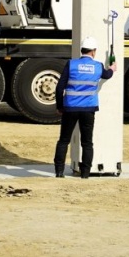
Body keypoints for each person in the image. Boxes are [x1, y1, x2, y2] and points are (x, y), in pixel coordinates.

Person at [53, 36, 117, 178]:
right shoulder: (98, 66)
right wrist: (112, 68)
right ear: (93, 51)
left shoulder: (71, 64)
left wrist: (60, 106)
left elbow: (59, 88)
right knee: (87, 142)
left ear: (82, 50)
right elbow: (107, 75)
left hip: (70, 108)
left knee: (64, 140)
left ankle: (59, 171)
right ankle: (85, 173)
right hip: (88, 109)